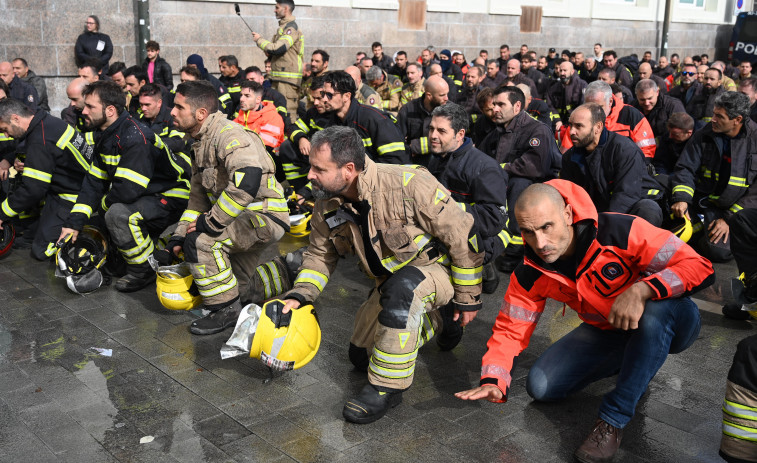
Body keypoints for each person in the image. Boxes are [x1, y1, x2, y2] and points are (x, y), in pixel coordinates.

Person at [456, 179, 714, 463]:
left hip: (674, 319)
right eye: (528, 232)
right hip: (608, 331)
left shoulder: (622, 230)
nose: (540, 243)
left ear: (567, 214)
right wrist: (494, 379)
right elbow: (509, 329)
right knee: (541, 387)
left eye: (546, 227)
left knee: (654, 315)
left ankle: (612, 421)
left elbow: (699, 266)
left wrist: (643, 289)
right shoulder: (530, 271)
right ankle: (637, 363)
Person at [280, 125, 483, 424]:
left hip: (437, 271)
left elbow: (462, 236)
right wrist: (301, 295)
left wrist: (468, 299)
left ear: (348, 169)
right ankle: (440, 320)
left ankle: (386, 389)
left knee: (404, 292)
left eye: (318, 169)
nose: (309, 175)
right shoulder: (327, 202)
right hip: (389, 284)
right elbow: (321, 255)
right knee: (360, 358)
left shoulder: (409, 183)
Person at [167, 80, 288, 334]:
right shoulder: (200, 143)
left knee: (201, 241)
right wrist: (177, 236)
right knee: (236, 288)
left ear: (200, 114)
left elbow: (247, 182)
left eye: (179, 107)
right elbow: (197, 201)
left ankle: (225, 312)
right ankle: (290, 269)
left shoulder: (227, 134)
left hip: (264, 216)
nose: (172, 112)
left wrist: (209, 225)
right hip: (240, 217)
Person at [58, 81, 191, 292]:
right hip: (146, 195)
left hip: (170, 195)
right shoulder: (108, 136)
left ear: (110, 110)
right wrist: (74, 223)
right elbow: (93, 183)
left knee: (117, 214)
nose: (83, 111)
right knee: (100, 216)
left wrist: (100, 209)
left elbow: (128, 191)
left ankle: (143, 270)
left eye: (90, 107)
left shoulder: (135, 137)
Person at [426, 103, 508, 293]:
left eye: (441, 131)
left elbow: (493, 219)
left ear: (460, 134)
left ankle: (485, 269)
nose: (433, 135)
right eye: (431, 129)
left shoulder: (483, 168)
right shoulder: (437, 158)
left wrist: (448, 208)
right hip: (447, 230)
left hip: (481, 236)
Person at [479, 86, 560, 272]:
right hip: (505, 183)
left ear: (517, 106)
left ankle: (517, 250)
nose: (495, 109)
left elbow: (533, 167)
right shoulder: (498, 130)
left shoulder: (537, 131)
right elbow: (481, 156)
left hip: (537, 188)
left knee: (520, 184)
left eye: (501, 104)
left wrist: (497, 169)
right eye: (494, 104)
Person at [0, 99, 93, 260]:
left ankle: (88, 234)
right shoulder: (46, 122)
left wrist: (1, 214)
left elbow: (33, 189)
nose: (6, 135)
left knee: (42, 250)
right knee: (36, 234)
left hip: (74, 197)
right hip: (65, 188)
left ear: (16, 118)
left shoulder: (40, 139)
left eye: (5, 129)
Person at [671, 92, 757, 264]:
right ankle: (700, 226)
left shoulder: (754, 139)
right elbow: (685, 167)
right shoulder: (705, 134)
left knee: (718, 252)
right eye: (713, 114)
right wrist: (682, 199)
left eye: (719, 116)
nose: (713, 119)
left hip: (735, 209)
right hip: (704, 200)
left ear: (737, 119)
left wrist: (729, 219)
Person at [561, 103, 663, 227]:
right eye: (570, 125)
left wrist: (604, 229)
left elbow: (626, 196)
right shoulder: (570, 158)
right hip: (599, 209)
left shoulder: (624, 150)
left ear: (598, 127)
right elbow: (570, 196)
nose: (571, 131)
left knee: (648, 209)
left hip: (630, 205)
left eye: (579, 126)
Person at [321, 71, 408, 165]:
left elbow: (395, 161)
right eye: (323, 93)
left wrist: (361, 174)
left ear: (346, 96)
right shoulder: (332, 122)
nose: (324, 99)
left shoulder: (374, 119)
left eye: (329, 95)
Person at [251, 0, 305, 121]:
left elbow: (279, 48)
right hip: (278, 80)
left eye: (277, 7)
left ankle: (291, 139)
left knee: (287, 115)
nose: (274, 10)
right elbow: (275, 52)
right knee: (275, 114)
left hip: (287, 82)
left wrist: (259, 40)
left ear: (285, 9)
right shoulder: (283, 28)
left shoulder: (291, 28)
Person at [397, 75, 449, 166]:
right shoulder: (408, 110)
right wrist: (408, 150)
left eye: (447, 94)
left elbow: (450, 140)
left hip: (441, 161)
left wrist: (416, 146)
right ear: (429, 95)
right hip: (413, 161)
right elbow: (397, 139)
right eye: (442, 95)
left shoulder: (449, 110)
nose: (446, 98)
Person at [138, 84, 189, 157]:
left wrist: (150, 142)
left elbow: (178, 143)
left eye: (147, 105)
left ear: (159, 103)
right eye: (141, 105)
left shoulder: (173, 116)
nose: (143, 108)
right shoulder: (140, 119)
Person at [233, 80, 285, 151]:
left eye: (247, 96)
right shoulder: (241, 115)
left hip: (267, 158)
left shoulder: (272, 117)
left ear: (258, 99)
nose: (241, 99)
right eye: (241, 95)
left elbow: (265, 147)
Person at [546, 60, 587, 131]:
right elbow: (550, 106)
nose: (562, 73)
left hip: (576, 123)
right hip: (558, 123)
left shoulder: (581, 85)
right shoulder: (554, 87)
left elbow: (583, 105)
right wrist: (557, 120)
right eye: (561, 70)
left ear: (572, 71)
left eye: (565, 70)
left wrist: (573, 121)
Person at [653, 112, 694, 176]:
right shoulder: (666, 138)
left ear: (689, 133)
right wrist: (661, 177)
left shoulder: (698, 144)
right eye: (669, 132)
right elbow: (660, 162)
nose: (670, 136)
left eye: (675, 134)